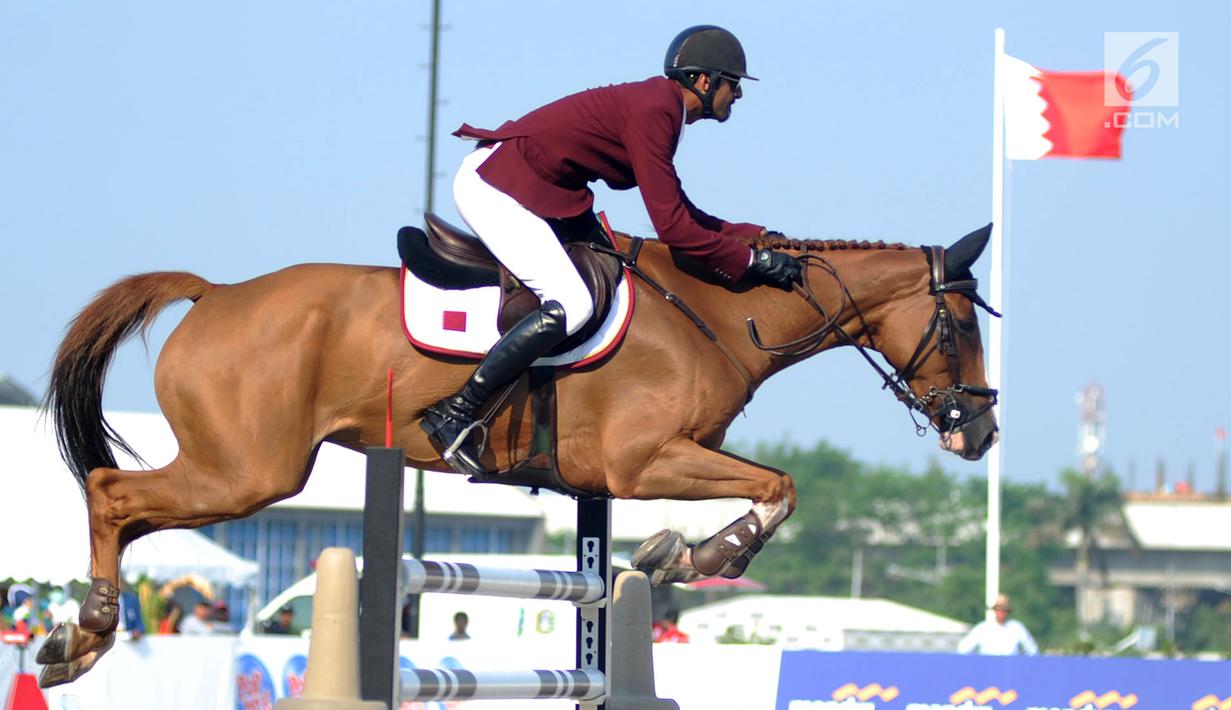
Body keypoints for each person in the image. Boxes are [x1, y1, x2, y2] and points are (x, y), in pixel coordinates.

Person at [421, 25, 803, 476]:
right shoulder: (657, 111)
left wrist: (753, 235)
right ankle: (456, 412)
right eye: (733, 83)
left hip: (541, 189)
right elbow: (675, 228)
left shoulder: (662, 108)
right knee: (575, 303)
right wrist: (751, 260)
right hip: (499, 187)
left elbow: (680, 209)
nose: (737, 95)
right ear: (705, 81)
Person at [957, 594, 1039, 656]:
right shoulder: (983, 628)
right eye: (998, 609)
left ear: (1008, 611)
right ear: (995, 611)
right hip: (987, 669)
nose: (1001, 613)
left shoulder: (1017, 627)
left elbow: (1032, 649)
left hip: (1011, 669)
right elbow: (963, 649)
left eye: (1004, 610)